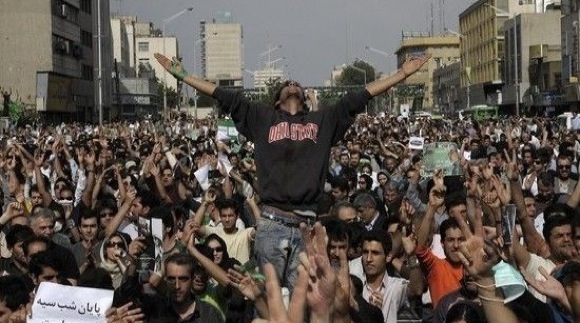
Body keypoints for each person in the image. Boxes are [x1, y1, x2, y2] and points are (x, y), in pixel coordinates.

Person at [154, 51, 431, 291]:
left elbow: (360, 96)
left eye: (295, 84)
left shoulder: (322, 121)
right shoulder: (263, 118)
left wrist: (401, 74)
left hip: (306, 227)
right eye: (287, 85)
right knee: (270, 297)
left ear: (306, 101)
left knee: (302, 302)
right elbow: (223, 94)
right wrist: (182, 75)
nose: (292, 85)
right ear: (277, 102)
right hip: (272, 222)